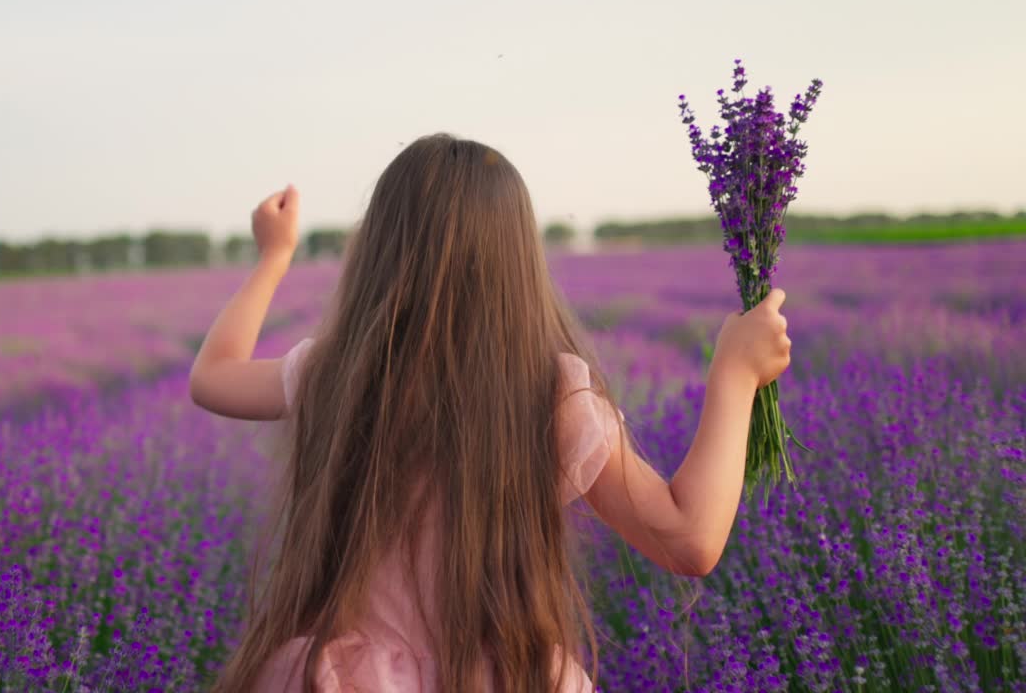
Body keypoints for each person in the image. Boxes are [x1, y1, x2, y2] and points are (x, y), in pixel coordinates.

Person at [189, 134, 791, 692]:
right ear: (516, 261)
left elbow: (211, 377)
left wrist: (274, 256)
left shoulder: (336, 373)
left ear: (378, 247)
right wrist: (735, 376)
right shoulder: (551, 395)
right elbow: (690, 542)